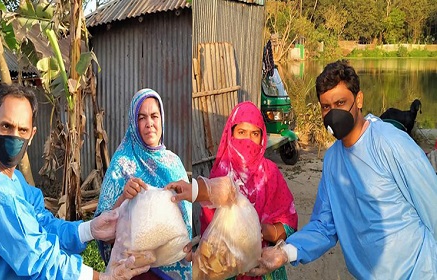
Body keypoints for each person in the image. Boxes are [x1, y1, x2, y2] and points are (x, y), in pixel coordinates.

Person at [249, 60, 437, 279]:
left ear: (358, 100)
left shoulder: (391, 144)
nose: (332, 113)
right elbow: (324, 226)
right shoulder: (332, 161)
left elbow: (432, 205)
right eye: (326, 107)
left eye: (340, 103)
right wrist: (284, 253)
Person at [0, 84, 152, 279]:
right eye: (6, 126)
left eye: (22, 130)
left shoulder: (12, 179)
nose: (14, 136)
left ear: (32, 135)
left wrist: (89, 229)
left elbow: (42, 223)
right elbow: (36, 257)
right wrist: (101, 277)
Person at [95, 88, 192, 280]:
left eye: (154, 116)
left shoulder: (174, 163)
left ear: (162, 119)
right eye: (142, 118)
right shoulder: (122, 163)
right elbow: (102, 229)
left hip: (172, 269)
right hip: (135, 271)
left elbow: (186, 222)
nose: (149, 124)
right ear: (133, 123)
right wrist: (124, 197)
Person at [199, 101, 298, 280]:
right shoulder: (219, 176)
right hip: (226, 271)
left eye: (254, 134)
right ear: (231, 134)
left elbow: (289, 223)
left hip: (263, 267)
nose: (248, 141)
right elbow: (209, 231)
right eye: (241, 133)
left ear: (262, 138)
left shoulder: (270, 173)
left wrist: (268, 231)